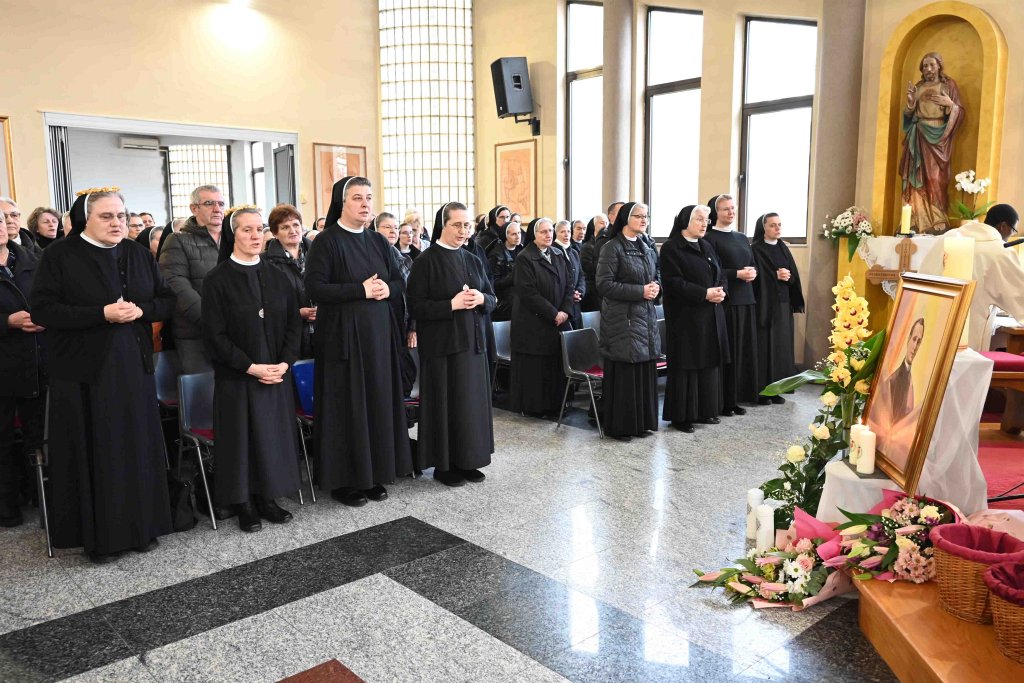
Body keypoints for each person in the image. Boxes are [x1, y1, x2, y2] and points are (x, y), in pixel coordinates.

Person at [30, 188, 174, 563]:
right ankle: (100, 540)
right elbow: (43, 310)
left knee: (136, 449)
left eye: (121, 216)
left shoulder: (138, 254)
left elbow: (166, 301)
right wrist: (102, 314)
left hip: (134, 369)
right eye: (107, 216)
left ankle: (142, 529)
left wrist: (141, 311)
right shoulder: (59, 255)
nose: (116, 223)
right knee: (97, 453)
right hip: (83, 374)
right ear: (86, 219)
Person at [305, 177, 412, 506]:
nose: (365, 204)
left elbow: (399, 280)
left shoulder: (378, 241)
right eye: (357, 198)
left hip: (378, 338)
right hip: (343, 341)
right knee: (347, 407)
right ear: (342, 202)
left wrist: (387, 289)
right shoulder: (326, 241)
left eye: (368, 197)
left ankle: (374, 473)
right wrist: (360, 290)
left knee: (377, 402)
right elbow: (315, 288)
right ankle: (345, 481)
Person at [202, 207, 302, 532]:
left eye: (259, 229)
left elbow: (293, 325)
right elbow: (215, 336)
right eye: (247, 230)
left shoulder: (278, 276)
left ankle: (268, 498)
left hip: (275, 372)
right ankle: (243, 502)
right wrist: (250, 367)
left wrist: (284, 362)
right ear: (233, 235)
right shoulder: (216, 280)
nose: (256, 235)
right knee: (240, 442)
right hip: (238, 376)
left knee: (270, 438)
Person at [407, 202, 495, 487]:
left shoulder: (473, 259)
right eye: (457, 225)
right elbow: (416, 307)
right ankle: (444, 466)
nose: (463, 230)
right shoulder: (426, 261)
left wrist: (482, 299)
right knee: (447, 406)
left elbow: (492, 297)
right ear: (442, 225)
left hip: (473, 346)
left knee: (470, 407)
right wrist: (451, 305)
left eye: (467, 225)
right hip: (443, 348)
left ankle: (468, 461)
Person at [660, 205, 728, 432]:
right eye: (699, 219)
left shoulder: (706, 245)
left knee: (708, 362)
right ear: (685, 221)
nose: (704, 223)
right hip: (686, 317)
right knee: (687, 365)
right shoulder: (672, 248)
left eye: (706, 220)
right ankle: (682, 416)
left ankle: (705, 411)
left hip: (710, 314)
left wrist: (721, 291)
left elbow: (720, 273)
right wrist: (704, 293)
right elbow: (673, 282)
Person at [597, 202, 661, 442]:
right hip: (622, 320)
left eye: (646, 216)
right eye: (639, 216)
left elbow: (656, 275)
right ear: (625, 218)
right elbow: (604, 284)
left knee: (643, 369)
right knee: (626, 372)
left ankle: (641, 423)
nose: (644, 220)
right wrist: (640, 291)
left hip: (645, 317)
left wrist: (656, 287)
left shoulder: (647, 246)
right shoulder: (612, 248)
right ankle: (621, 427)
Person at [0, 206, 45, 528]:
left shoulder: (30, 260)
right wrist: (6, 322)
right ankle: (7, 505)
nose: (2, 226)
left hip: (35, 361)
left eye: (1, 220)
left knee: (38, 437)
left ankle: (41, 497)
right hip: (3, 364)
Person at [510, 218, 574, 418]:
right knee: (537, 369)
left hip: (557, 321)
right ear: (534, 234)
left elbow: (569, 286)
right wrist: (553, 313)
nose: (548, 235)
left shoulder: (558, 254)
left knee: (554, 366)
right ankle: (537, 407)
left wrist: (565, 311)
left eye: (550, 231)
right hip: (534, 322)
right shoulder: (525, 258)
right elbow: (528, 292)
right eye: (543, 232)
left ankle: (556, 405)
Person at [703, 194, 759, 416]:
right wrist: (737, 274)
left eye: (733, 208)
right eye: (725, 209)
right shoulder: (710, 238)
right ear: (716, 212)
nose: (731, 212)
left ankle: (739, 396)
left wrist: (753, 273)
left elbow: (752, 264)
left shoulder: (741, 237)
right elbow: (711, 270)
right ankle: (725, 400)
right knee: (730, 351)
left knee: (743, 351)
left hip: (746, 299)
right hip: (727, 300)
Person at [159, 184, 225, 373]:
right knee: (203, 387)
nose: (217, 209)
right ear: (194, 208)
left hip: (234, 331)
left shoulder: (233, 240)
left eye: (221, 203)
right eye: (209, 203)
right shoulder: (178, 240)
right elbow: (176, 285)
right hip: (195, 334)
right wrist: (212, 321)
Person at [900, 52, 963, 233]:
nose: (928, 69)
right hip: (918, 135)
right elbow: (908, 115)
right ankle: (914, 220)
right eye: (925, 66)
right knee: (915, 178)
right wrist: (911, 103)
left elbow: (960, 112)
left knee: (935, 178)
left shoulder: (948, 85)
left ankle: (937, 220)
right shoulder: (918, 87)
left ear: (939, 66)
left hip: (938, 137)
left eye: (932, 65)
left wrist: (951, 105)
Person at [752, 213, 804, 403]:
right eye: (773, 225)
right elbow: (754, 277)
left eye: (779, 224)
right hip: (765, 305)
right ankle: (762, 391)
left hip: (783, 304)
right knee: (764, 347)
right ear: (764, 228)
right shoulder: (756, 249)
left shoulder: (783, 248)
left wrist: (788, 277)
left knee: (781, 348)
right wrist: (774, 276)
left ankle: (778, 389)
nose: (777, 228)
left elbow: (793, 276)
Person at [265, 204, 316, 359]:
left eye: (296, 225)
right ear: (275, 233)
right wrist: (296, 313)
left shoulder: (319, 254)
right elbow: (266, 304)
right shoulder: (266, 262)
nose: (293, 230)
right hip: (288, 338)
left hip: (323, 333)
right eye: (285, 227)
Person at [487, 220, 522, 322]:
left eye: (519, 233)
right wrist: (513, 277)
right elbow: (493, 283)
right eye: (513, 234)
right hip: (505, 301)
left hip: (520, 297)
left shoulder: (522, 250)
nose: (518, 237)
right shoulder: (496, 255)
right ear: (505, 235)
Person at [554, 219, 586, 330]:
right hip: (561, 304)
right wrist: (570, 294)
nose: (566, 234)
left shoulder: (574, 252)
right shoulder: (553, 252)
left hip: (575, 304)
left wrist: (579, 291)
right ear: (556, 233)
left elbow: (581, 275)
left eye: (568, 231)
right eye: (562, 231)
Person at [580, 213, 609, 312]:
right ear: (594, 225)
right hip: (593, 291)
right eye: (602, 223)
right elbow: (589, 270)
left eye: (606, 223)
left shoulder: (610, 245)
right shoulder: (587, 247)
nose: (605, 226)